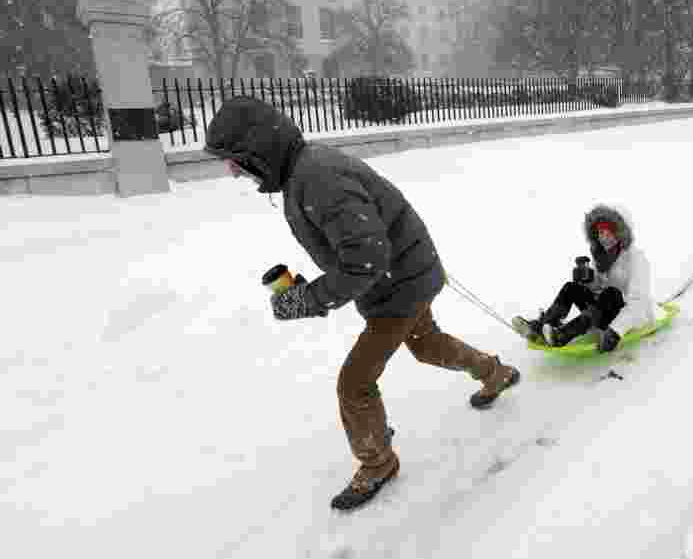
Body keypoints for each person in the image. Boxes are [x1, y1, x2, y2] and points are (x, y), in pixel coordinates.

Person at [204, 96, 520, 512]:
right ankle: (494, 372)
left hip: (398, 287)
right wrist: (311, 288)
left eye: (234, 161)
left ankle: (377, 463)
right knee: (426, 344)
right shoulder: (306, 172)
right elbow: (356, 250)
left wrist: (307, 298)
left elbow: (366, 261)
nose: (231, 172)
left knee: (354, 383)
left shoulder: (317, 178)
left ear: (257, 151)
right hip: (405, 276)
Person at [514, 204, 655, 354]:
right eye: (601, 233)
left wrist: (616, 330)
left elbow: (639, 302)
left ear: (620, 234)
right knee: (571, 287)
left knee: (611, 293)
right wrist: (588, 281)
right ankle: (542, 326)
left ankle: (562, 335)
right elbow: (599, 289)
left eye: (609, 233)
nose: (604, 238)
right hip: (602, 311)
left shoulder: (636, 259)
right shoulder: (601, 257)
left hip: (628, 318)